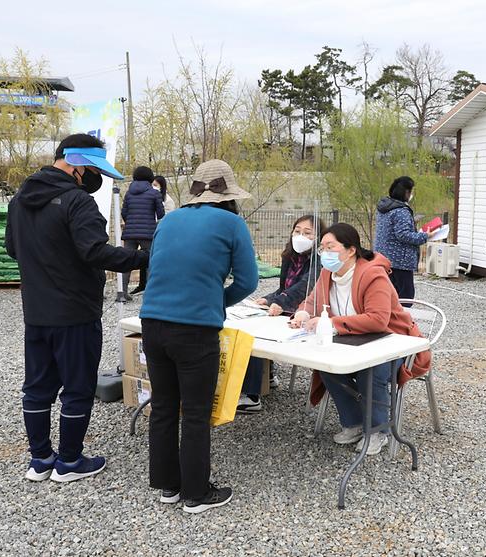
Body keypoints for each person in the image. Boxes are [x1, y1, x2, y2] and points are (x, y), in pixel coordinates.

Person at [5, 133, 149, 484]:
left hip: (36, 311)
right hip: (75, 312)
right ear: (78, 165)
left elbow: (12, 248)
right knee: (77, 387)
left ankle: (40, 460)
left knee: (37, 386)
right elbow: (95, 251)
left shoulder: (21, 198)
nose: (95, 178)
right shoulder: (77, 202)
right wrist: (144, 258)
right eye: (94, 169)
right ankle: (69, 461)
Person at [139, 159, 258, 514]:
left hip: (152, 322)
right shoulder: (232, 224)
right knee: (194, 412)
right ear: (229, 196)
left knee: (162, 406)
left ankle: (168, 486)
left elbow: (156, 265)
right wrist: (215, 301)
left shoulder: (168, 221)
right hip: (195, 329)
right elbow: (248, 282)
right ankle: (196, 493)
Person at [290, 223, 432, 456]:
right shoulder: (328, 273)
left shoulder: (372, 274)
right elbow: (312, 300)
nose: (325, 253)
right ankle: (354, 423)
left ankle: (378, 430)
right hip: (351, 339)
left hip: (392, 343)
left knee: (371, 372)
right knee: (327, 367)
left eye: (331, 247)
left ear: (350, 250)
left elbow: (378, 320)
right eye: (322, 248)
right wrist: (303, 312)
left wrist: (333, 324)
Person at [238, 214, 324, 413]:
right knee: (251, 329)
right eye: (297, 231)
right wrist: (268, 299)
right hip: (287, 308)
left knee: (256, 336)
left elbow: (305, 287)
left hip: (306, 313)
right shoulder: (289, 256)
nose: (300, 236)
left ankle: (252, 395)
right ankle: (266, 377)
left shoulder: (318, 261)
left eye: (307, 232)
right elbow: (284, 287)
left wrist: (279, 302)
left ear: (317, 237)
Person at [374, 176, 435, 300]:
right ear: (406, 192)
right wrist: (425, 236)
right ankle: (401, 319)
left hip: (383, 258)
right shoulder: (401, 211)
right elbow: (403, 235)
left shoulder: (385, 208)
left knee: (386, 296)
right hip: (400, 262)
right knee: (405, 299)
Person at [121, 165, 164, 296]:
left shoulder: (129, 193)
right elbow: (161, 214)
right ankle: (151, 292)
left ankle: (122, 292)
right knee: (151, 261)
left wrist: (132, 222)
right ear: (150, 178)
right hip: (148, 233)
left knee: (127, 261)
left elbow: (124, 212)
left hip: (129, 233)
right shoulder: (154, 193)